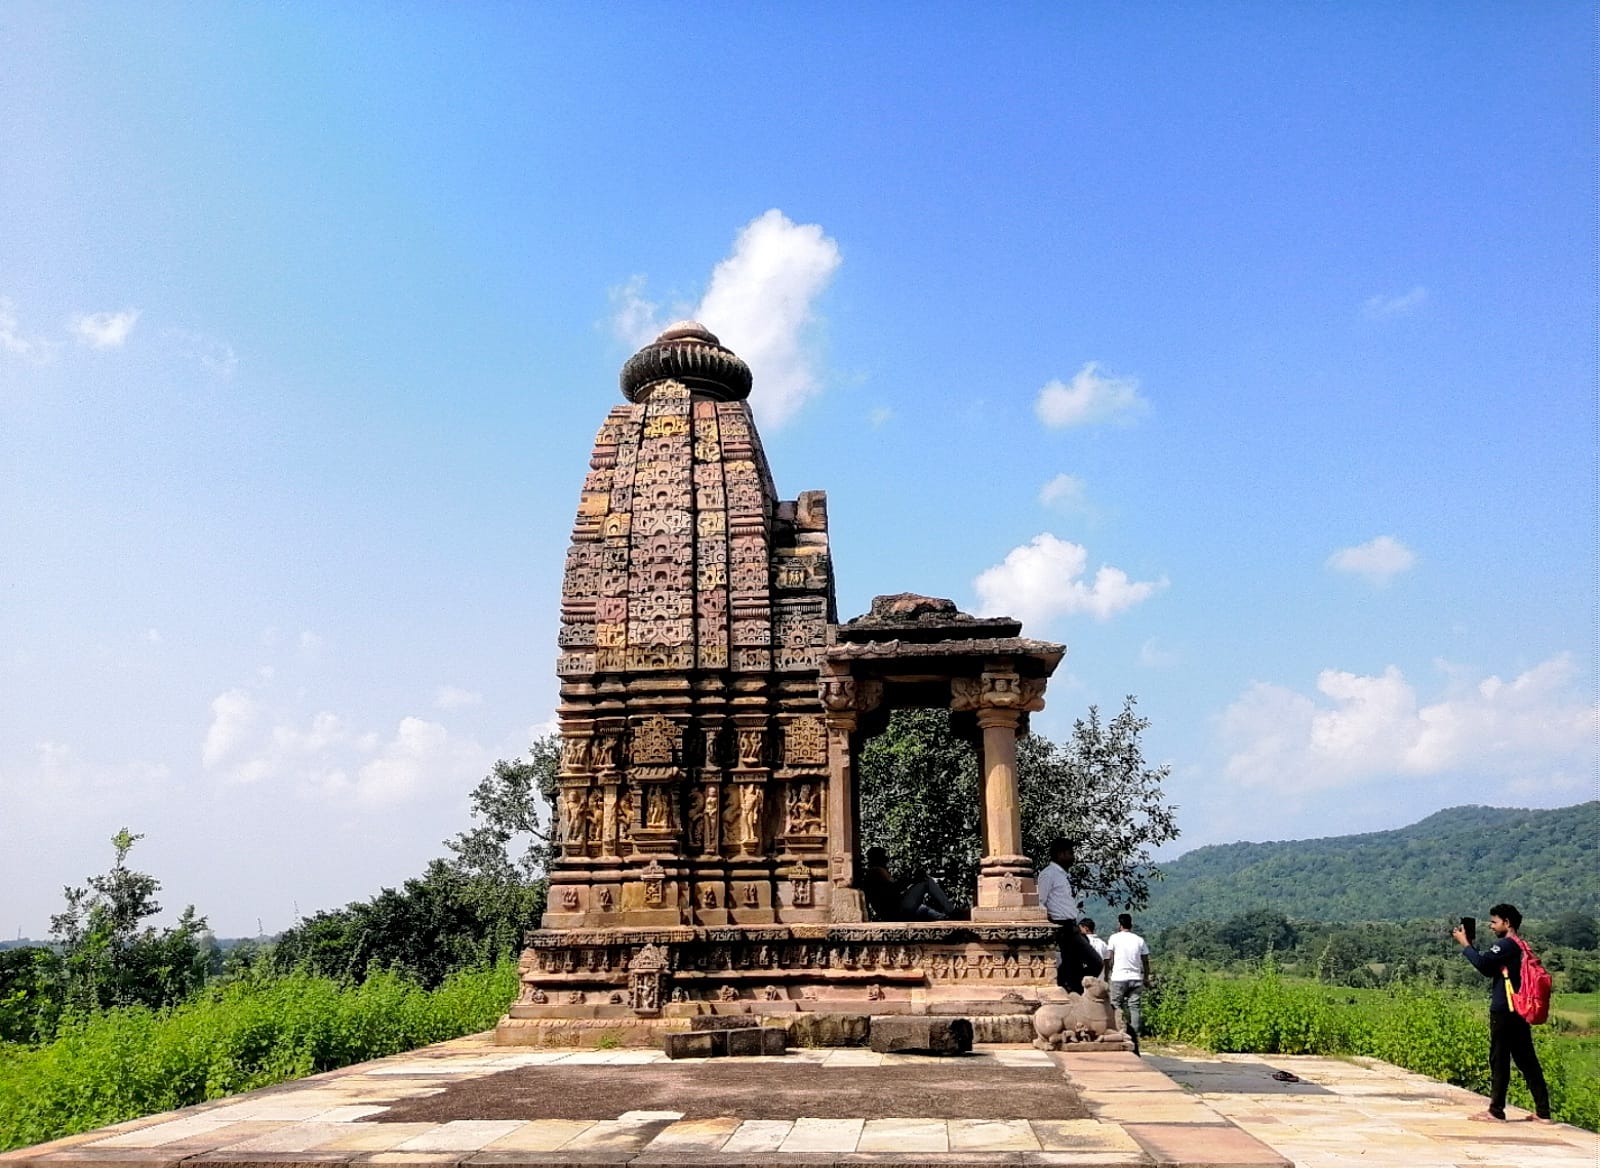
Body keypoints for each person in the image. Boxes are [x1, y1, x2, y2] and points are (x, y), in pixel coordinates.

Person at [1452, 904, 1551, 1123]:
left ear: (1507, 923)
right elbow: (1491, 967)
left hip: (1504, 1010)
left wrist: (1466, 944)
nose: (1491, 926)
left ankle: (1496, 1110)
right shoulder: (1521, 945)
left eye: (1494, 921)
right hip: (1519, 1009)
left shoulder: (1505, 945)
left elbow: (1484, 965)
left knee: (1499, 1059)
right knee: (1527, 1061)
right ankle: (1543, 1112)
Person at [1037, 838, 1102, 994]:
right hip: (1062, 926)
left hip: (1071, 925)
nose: (1073, 857)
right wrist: (1050, 921)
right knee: (1095, 962)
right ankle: (1061, 982)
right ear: (1061, 854)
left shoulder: (1061, 875)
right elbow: (1040, 901)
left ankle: (1068, 986)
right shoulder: (1048, 874)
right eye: (1070, 853)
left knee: (1074, 965)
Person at [861, 846, 958, 921]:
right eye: (884, 855)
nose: (887, 858)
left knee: (923, 909)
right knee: (926, 881)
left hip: (892, 913)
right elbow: (893, 890)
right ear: (878, 857)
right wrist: (911, 880)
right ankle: (952, 911)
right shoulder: (876, 871)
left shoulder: (873, 873)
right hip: (896, 911)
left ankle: (944, 918)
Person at [1104, 913, 1151, 1055]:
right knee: (1135, 1007)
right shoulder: (1139, 940)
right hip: (1136, 978)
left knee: (1116, 1006)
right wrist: (1146, 977)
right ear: (1131, 924)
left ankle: (1120, 1033)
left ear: (1120, 924)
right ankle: (1135, 1036)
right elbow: (1145, 960)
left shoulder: (1114, 938)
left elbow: (1109, 958)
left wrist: (1107, 975)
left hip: (1119, 977)